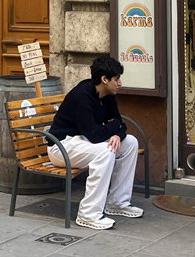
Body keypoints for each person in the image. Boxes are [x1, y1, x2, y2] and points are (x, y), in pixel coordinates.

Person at [47, 55, 143, 230]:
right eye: (116, 79)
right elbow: (95, 135)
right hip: (61, 146)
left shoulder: (108, 94)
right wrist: (114, 129)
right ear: (104, 79)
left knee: (131, 143)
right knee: (105, 151)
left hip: (83, 142)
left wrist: (117, 134)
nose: (120, 83)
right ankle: (88, 213)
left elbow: (120, 123)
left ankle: (117, 202)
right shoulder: (82, 95)